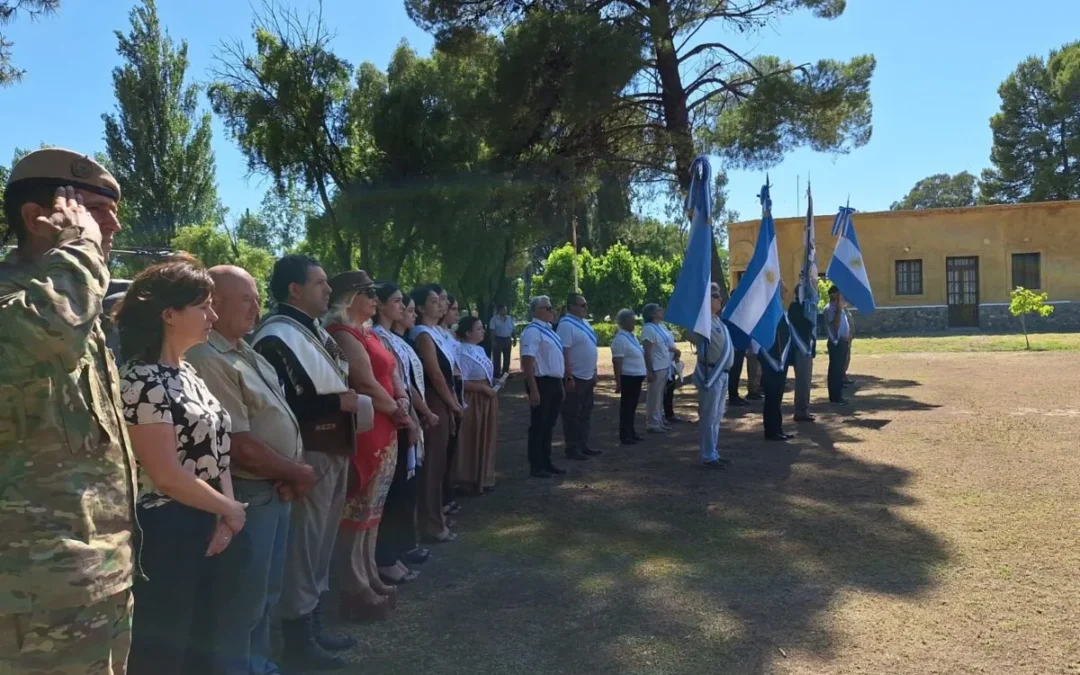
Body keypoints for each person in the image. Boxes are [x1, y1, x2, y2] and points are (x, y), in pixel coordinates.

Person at [1, 150, 137, 675]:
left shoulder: (79, 304)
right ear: (40, 217)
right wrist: (79, 248)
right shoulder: (34, 302)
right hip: (29, 595)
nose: (114, 225)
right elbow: (47, 333)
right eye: (98, 210)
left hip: (99, 578)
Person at [113, 259, 248, 675]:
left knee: (201, 641)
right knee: (166, 648)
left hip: (208, 523)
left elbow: (216, 450)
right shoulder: (141, 379)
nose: (213, 316)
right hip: (167, 532)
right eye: (203, 306)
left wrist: (226, 513)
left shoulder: (186, 372)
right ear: (168, 314)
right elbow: (166, 474)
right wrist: (230, 510)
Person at [185, 266, 315, 675]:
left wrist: (289, 472)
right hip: (247, 494)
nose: (256, 306)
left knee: (264, 595)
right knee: (241, 602)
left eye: (257, 297)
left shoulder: (246, 352)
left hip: (272, 489)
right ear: (214, 304)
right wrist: (296, 472)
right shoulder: (207, 358)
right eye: (245, 298)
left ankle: (258, 665)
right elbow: (238, 444)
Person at [252, 255, 366, 671]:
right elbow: (280, 404)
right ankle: (298, 637)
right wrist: (338, 402)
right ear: (294, 290)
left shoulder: (309, 329)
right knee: (304, 545)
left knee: (319, 543)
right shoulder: (276, 335)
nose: (328, 290)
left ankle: (312, 622)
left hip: (333, 446)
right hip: (308, 452)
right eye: (320, 283)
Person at [326, 272, 413, 622]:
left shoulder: (366, 333)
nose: (375, 299)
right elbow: (363, 381)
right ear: (349, 297)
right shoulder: (343, 334)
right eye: (368, 293)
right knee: (358, 508)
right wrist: (396, 410)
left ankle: (369, 573)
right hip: (368, 428)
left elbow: (390, 373)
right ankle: (353, 583)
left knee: (374, 508)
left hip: (386, 423)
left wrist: (402, 400)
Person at [373, 292, 436, 580]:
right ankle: (389, 553)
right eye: (397, 301)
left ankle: (399, 546)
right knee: (396, 489)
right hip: (393, 419)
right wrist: (409, 414)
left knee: (405, 485)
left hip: (405, 413)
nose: (402, 307)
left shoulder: (393, 338)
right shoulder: (377, 336)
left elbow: (405, 380)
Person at [409, 285, 464, 543]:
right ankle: (430, 522)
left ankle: (436, 516)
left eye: (441, 300)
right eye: (434, 301)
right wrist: (452, 404)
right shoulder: (421, 334)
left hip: (444, 400)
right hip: (434, 400)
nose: (441, 305)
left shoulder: (435, 332)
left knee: (440, 462)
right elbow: (436, 374)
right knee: (432, 464)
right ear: (420, 308)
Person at [453, 316, 500, 494]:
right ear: (467, 332)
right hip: (473, 399)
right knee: (472, 436)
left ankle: (484, 476)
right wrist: (481, 388)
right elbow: (460, 381)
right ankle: (467, 478)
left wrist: (492, 381)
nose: (483, 331)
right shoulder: (462, 351)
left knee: (486, 435)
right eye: (479, 328)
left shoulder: (479, 349)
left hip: (486, 396)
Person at [521, 295, 566, 478]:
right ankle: (536, 465)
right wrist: (533, 389)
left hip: (554, 381)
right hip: (541, 381)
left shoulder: (550, 331)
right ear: (537, 310)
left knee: (549, 424)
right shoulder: (533, 331)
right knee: (539, 425)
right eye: (548, 308)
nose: (552, 311)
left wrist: (561, 384)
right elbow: (528, 361)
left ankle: (547, 461)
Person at [696, 283, 735, 468]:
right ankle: (707, 454)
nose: (720, 298)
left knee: (717, 415)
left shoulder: (718, 321)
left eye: (719, 295)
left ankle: (713, 451)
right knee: (708, 415)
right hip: (710, 372)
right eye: (715, 296)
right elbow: (689, 334)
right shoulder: (703, 322)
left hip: (722, 373)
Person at [557, 292, 599, 460]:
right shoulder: (566, 325)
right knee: (572, 413)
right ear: (571, 307)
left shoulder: (585, 323)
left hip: (588, 375)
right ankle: (572, 448)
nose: (585, 308)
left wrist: (595, 370)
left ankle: (583, 444)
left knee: (586, 412)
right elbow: (564, 351)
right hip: (575, 376)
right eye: (582, 305)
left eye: (585, 304)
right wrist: (568, 376)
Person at [760, 286, 795, 441]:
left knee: (777, 397)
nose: (785, 291)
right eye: (782, 288)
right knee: (772, 396)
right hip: (771, 361)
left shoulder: (780, 311)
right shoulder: (769, 313)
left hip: (780, 361)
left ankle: (778, 428)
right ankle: (771, 430)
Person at [610, 308, 647, 445]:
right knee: (627, 407)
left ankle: (631, 432)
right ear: (623, 322)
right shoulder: (620, 339)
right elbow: (617, 362)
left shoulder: (631, 336)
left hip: (636, 376)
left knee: (632, 406)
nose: (634, 323)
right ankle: (625, 435)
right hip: (628, 377)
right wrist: (618, 382)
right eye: (632, 320)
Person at [641, 303, 678, 433]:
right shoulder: (648, 329)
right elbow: (647, 350)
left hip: (664, 365)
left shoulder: (659, 327)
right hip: (656, 367)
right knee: (654, 396)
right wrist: (650, 370)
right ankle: (652, 423)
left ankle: (659, 420)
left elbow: (662, 345)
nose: (662, 311)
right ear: (652, 314)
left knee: (660, 396)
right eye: (659, 310)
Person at [787, 294, 817, 423]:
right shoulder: (795, 306)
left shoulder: (809, 305)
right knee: (802, 380)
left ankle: (804, 409)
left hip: (807, 349)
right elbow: (801, 326)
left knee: (807, 381)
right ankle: (800, 410)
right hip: (800, 348)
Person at [825, 286, 851, 405]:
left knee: (839, 370)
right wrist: (839, 310)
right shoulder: (831, 309)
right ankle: (835, 397)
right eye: (839, 294)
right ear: (834, 295)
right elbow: (835, 326)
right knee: (835, 370)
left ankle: (838, 395)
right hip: (836, 343)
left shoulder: (840, 308)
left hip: (843, 342)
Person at [489, 304, 515, 379]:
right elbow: (492, 331)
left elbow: (512, 329)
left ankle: (505, 374)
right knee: (497, 358)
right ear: (499, 310)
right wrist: (493, 341)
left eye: (506, 310)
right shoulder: (494, 319)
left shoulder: (509, 318)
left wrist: (514, 338)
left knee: (507, 357)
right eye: (504, 310)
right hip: (498, 339)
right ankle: (496, 374)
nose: (505, 311)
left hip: (507, 339)